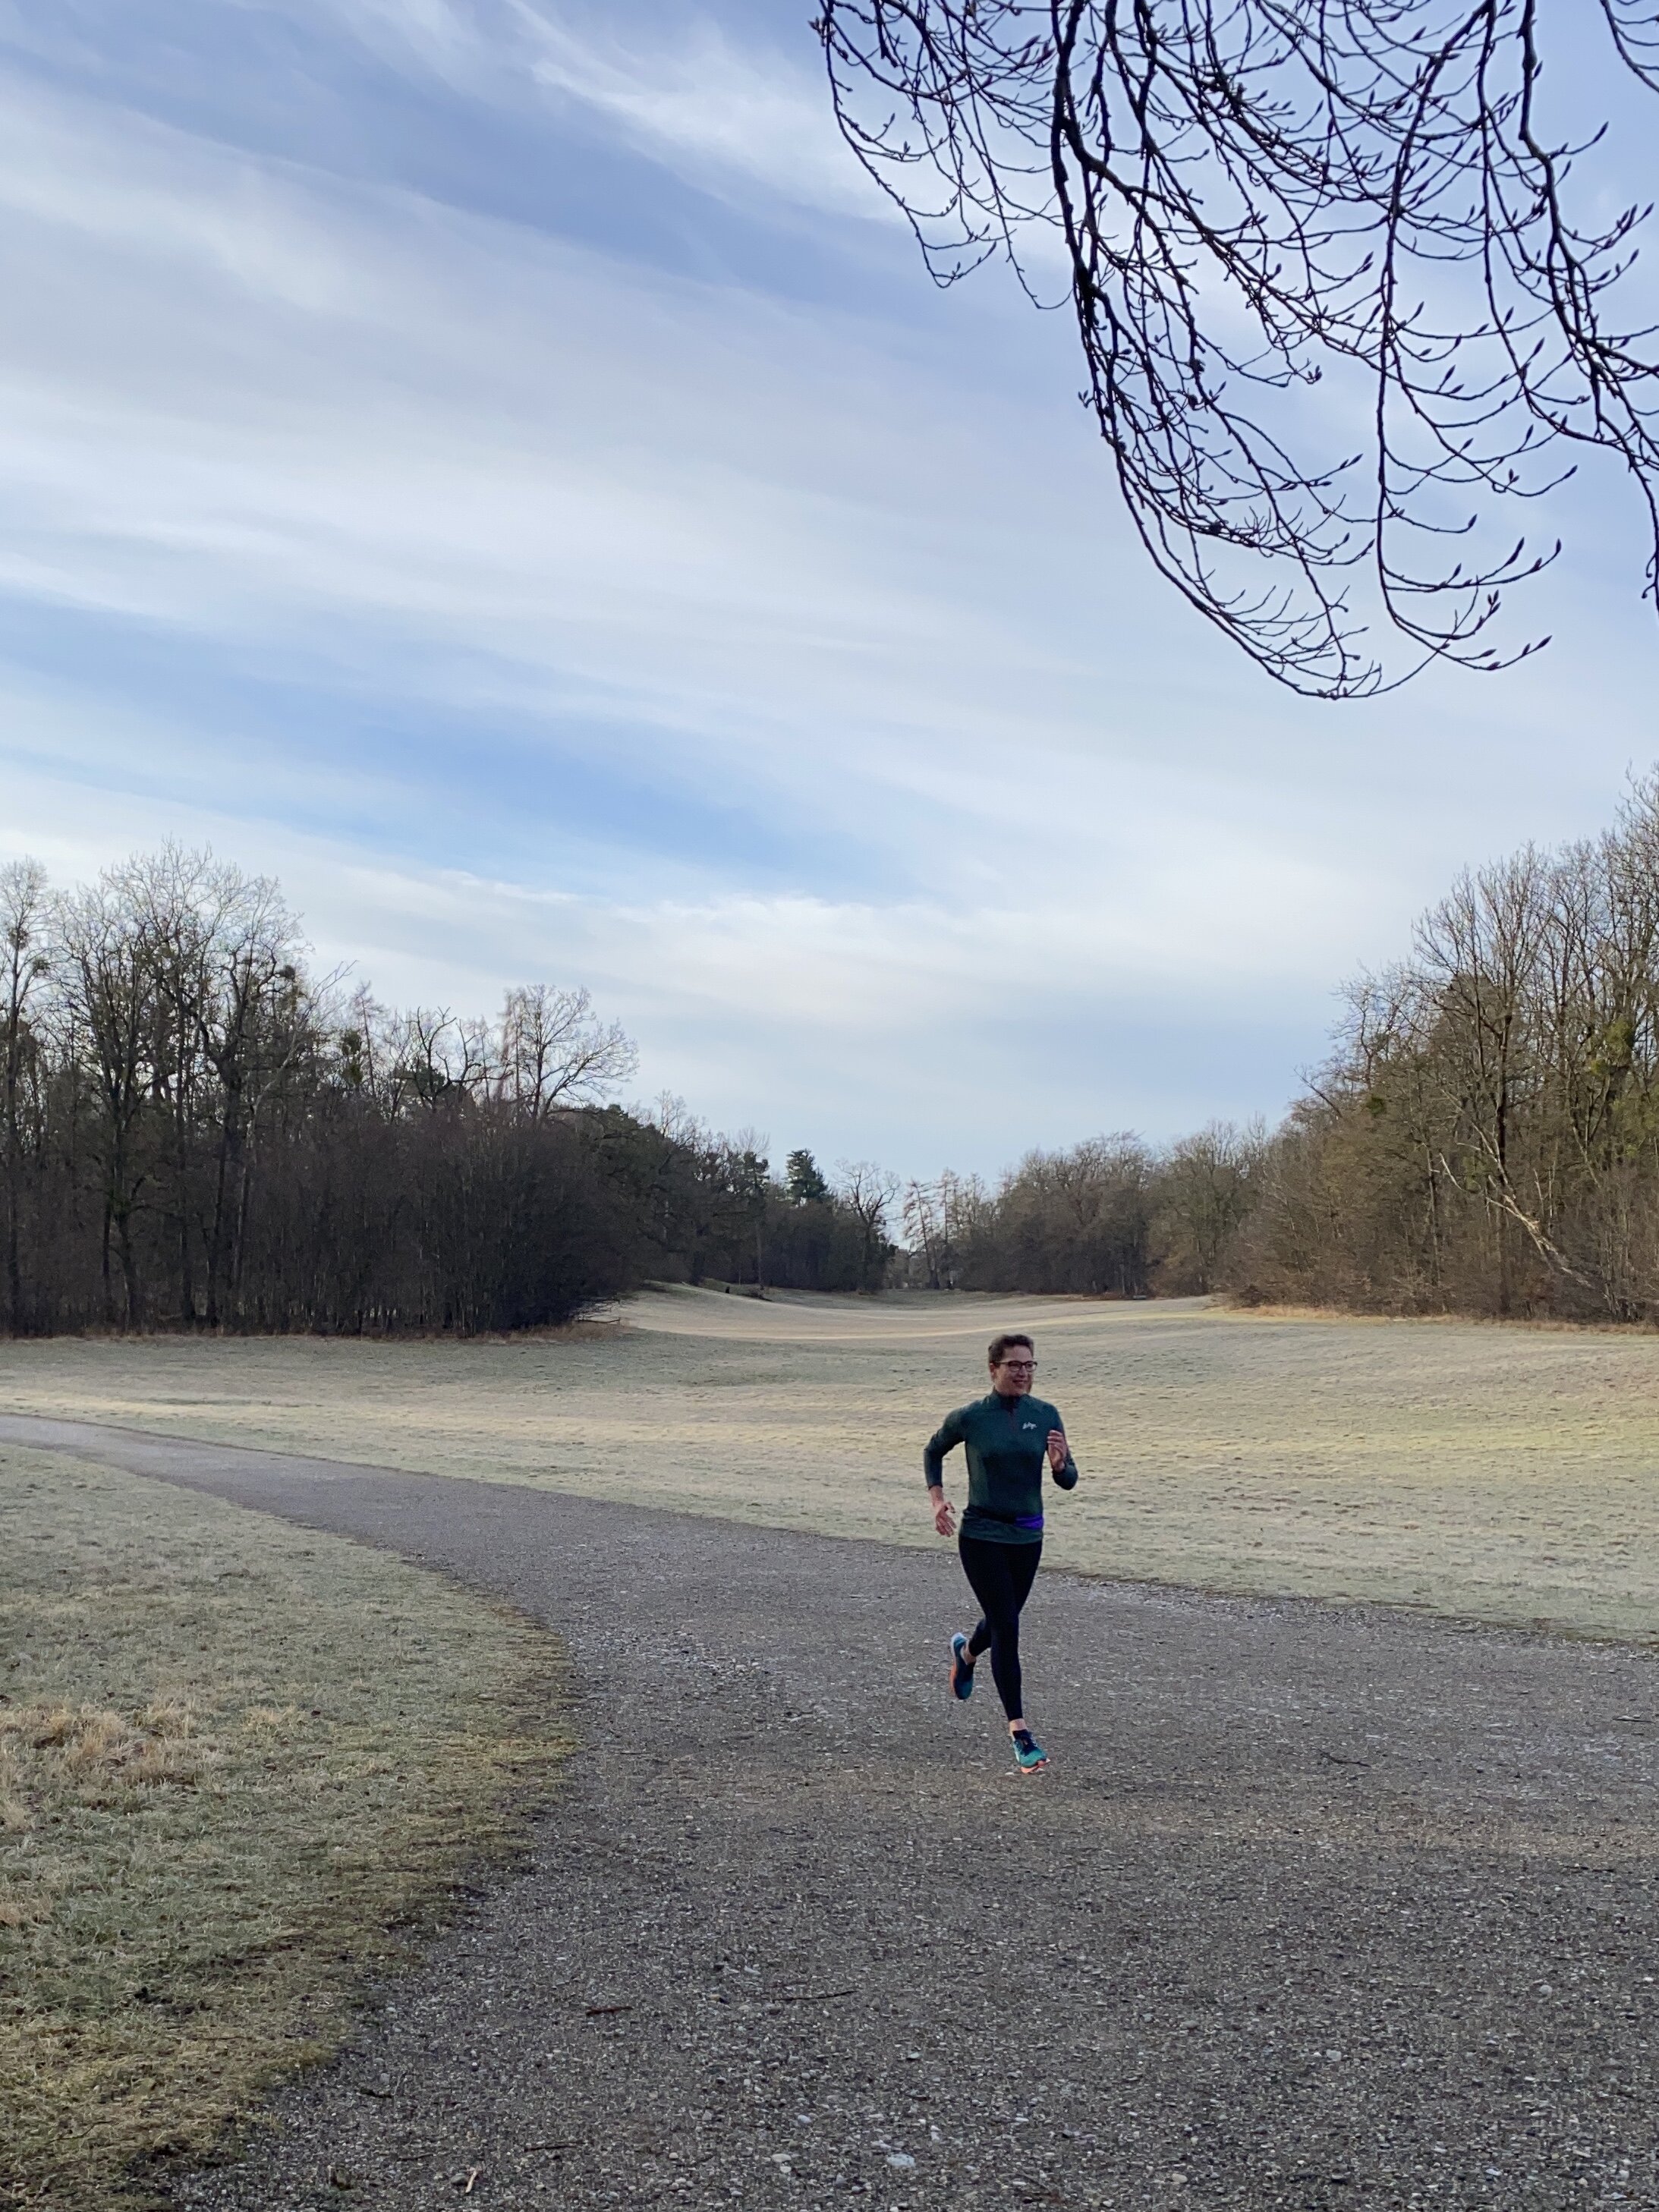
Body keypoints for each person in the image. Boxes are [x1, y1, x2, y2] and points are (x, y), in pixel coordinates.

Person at [924, 1331, 1078, 1773]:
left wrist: (1062, 1466)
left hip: (1028, 1538)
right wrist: (937, 1499)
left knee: (1001, 1617)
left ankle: (966, 1654)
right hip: (982, 1535)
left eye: (1030, 1366)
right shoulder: (971, 1417)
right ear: (993, 1369)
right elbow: (933, 1450)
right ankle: (1020, 1733)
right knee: (1008, 1626)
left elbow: (1068, 1480)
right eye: (1014, 1366)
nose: (1023, 1373)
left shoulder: (1046, 1415)